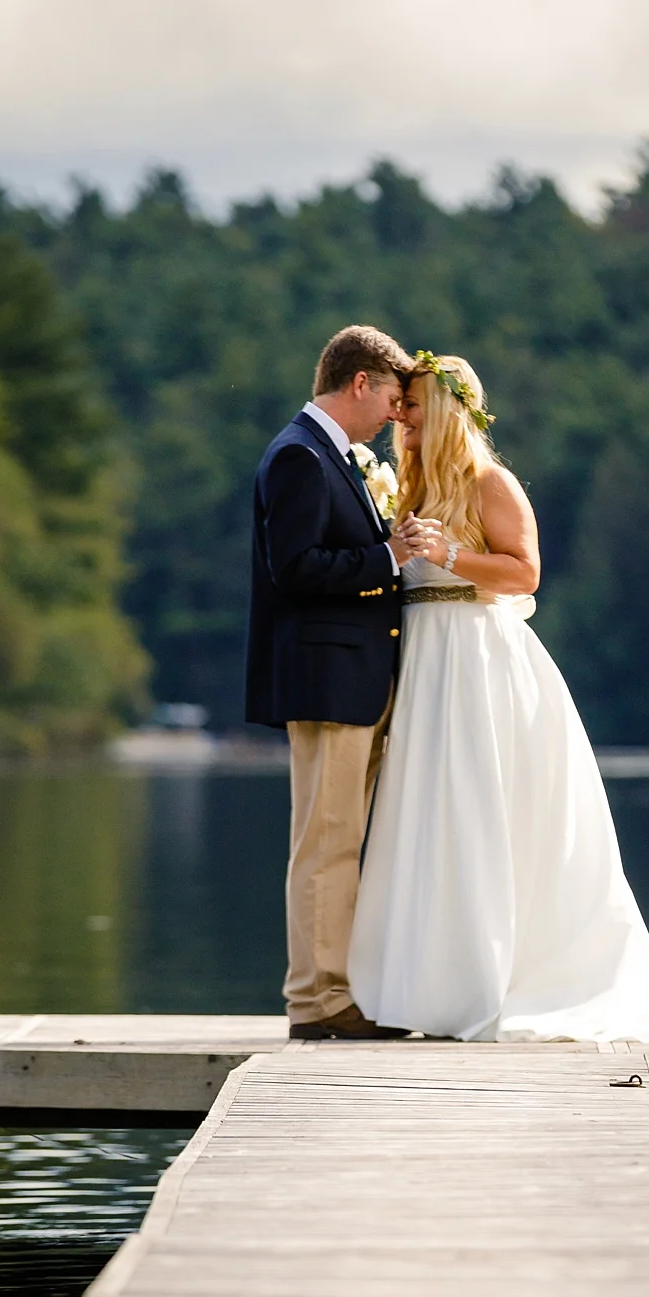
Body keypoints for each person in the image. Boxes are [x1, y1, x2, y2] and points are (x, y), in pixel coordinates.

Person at [348, 352, 649, 1043]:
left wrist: (450, 554)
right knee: (429, 817)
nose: (401, 417)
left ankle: (501, 976)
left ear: (448, 409)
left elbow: (524, 573)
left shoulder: (491, 483)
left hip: (479, 664)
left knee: (485, 813)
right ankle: (425, 990)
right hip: (425, 663)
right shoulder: (412, 486)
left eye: (414, 404)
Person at [245, 324, 443, 1039]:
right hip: (327, 677)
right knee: (325, 844)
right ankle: (317, 1003)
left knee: (339, 840)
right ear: (359, 383)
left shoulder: (328, 454)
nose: (396, 411)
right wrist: (387, 554)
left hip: (350, 676)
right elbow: (293, 570)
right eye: (392, 395)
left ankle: (341, 993)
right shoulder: (299, 456)